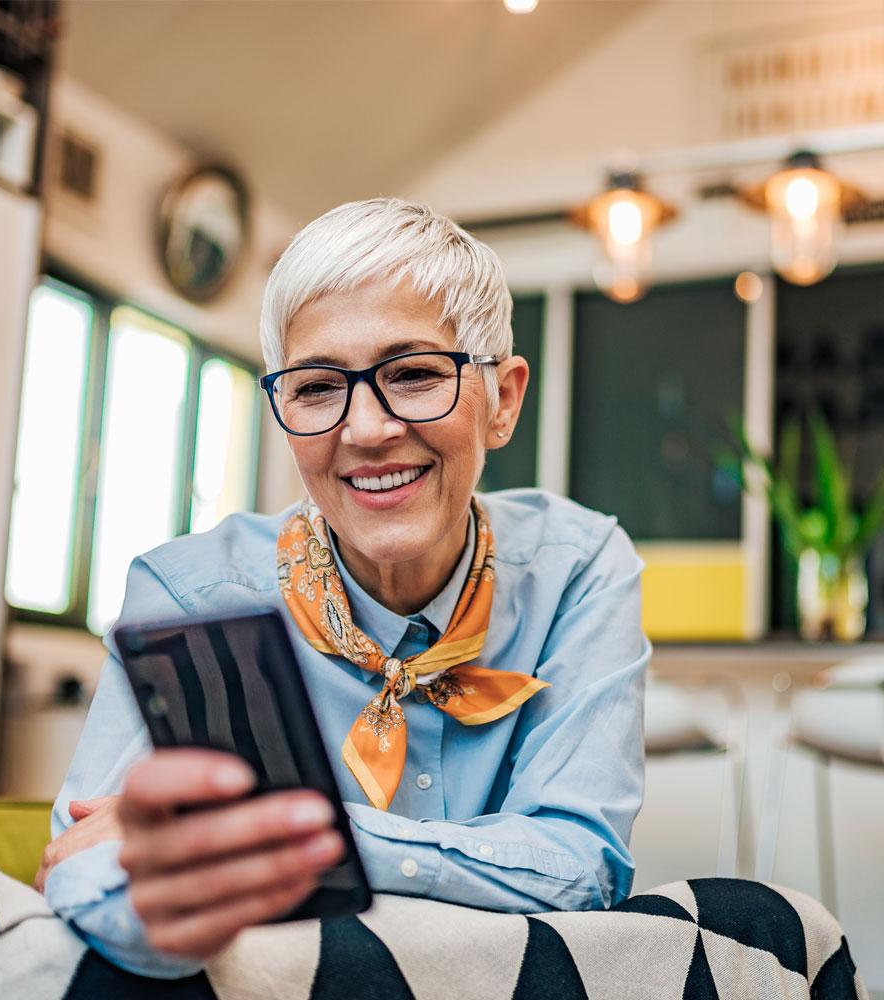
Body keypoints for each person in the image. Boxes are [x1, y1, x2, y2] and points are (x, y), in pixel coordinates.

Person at [41, 197, 651, 979]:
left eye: (414, 373)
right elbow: (88, 864)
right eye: (317, 388)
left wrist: (283, 836)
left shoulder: (578, 567)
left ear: (502, 400)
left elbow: (580, 866)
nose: (366, 429)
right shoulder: (195, 595)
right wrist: (166, 879)